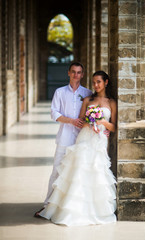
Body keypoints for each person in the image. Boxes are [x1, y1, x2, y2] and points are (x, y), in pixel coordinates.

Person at [39, 70, 117, 226]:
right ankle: (72, 209)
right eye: (94, 82)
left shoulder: (111, 102)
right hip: (85, 138)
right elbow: (82, 120)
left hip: (99, 141)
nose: (95, 85)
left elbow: (113, 126)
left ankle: (94, 211)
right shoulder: (88, 99)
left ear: (106, 82)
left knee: (96, 172)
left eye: (99, 82)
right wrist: (91, 120)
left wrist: (101, 122)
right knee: (79, 171)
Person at [34, 62, 92, 217]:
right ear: (68, 73)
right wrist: (71, 121)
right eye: (73, 72)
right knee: (56, 172)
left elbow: (93, 115)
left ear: (82, 74)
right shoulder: (60, 92)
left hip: (81, 139)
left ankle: (74, 206)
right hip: (65, 137)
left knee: (78, 172)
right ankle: (48, 205)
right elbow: (54, 113)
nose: (76, 75)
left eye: (79, 72)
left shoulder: (88, 93)